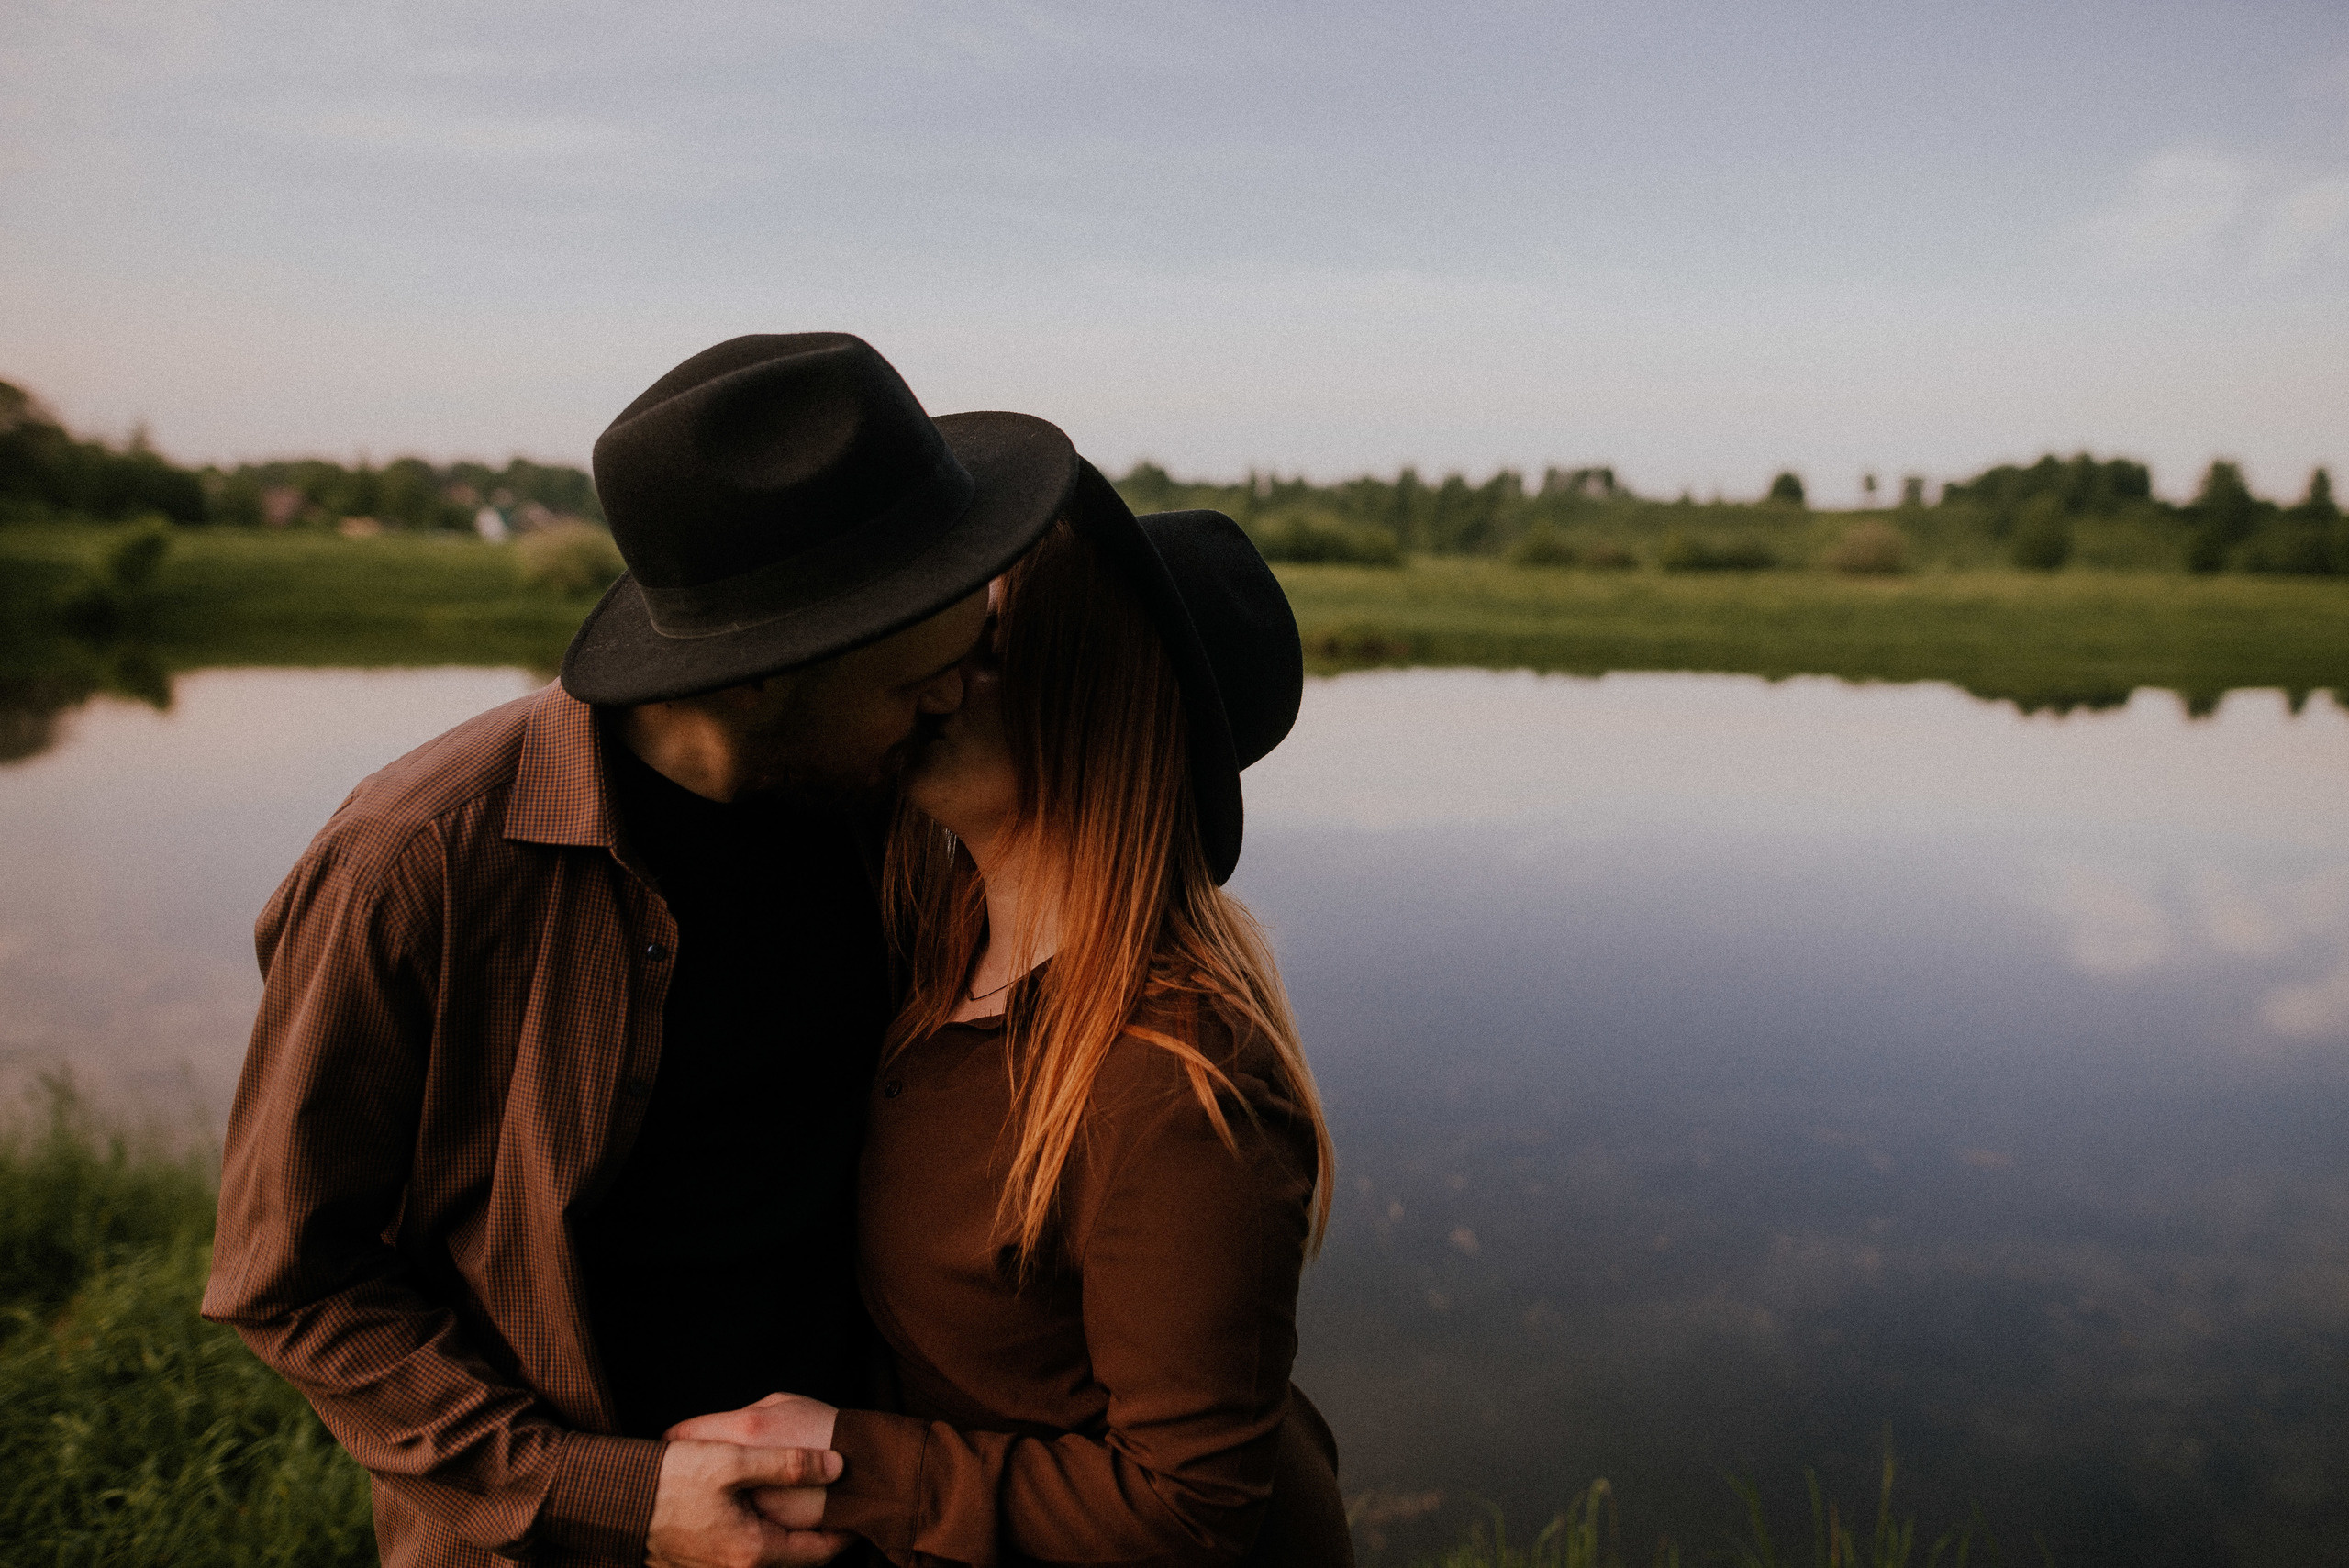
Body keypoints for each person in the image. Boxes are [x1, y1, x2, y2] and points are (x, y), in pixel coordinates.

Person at [202, 333, 1084, 1568]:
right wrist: (621, 1500)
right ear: (764, 673)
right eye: (923, 668)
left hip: (872, 1512)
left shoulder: (898, 811)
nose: (959, 696)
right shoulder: (415, 865)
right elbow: (292, 1279)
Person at [667, 476, 1354, 1564]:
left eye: (984, 650)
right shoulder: (929, 940)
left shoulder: (1168, 1083)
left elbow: (1187, 1507)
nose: (926, 677)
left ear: (1097, 714)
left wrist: (850, 1462)